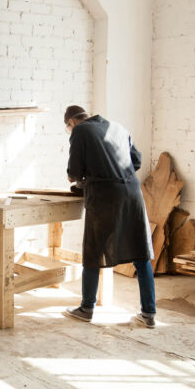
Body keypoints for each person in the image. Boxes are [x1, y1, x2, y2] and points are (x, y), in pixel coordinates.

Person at [62, 105, 157, 328]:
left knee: (94, 250)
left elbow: (74, 172)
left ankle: (86, 308)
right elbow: (136, 161)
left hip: (106, 196)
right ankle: (148, 314)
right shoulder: (118, 127)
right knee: (141, 253)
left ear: (71, 123)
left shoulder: (80, 131)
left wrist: (77, 178)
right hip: (132, 193)